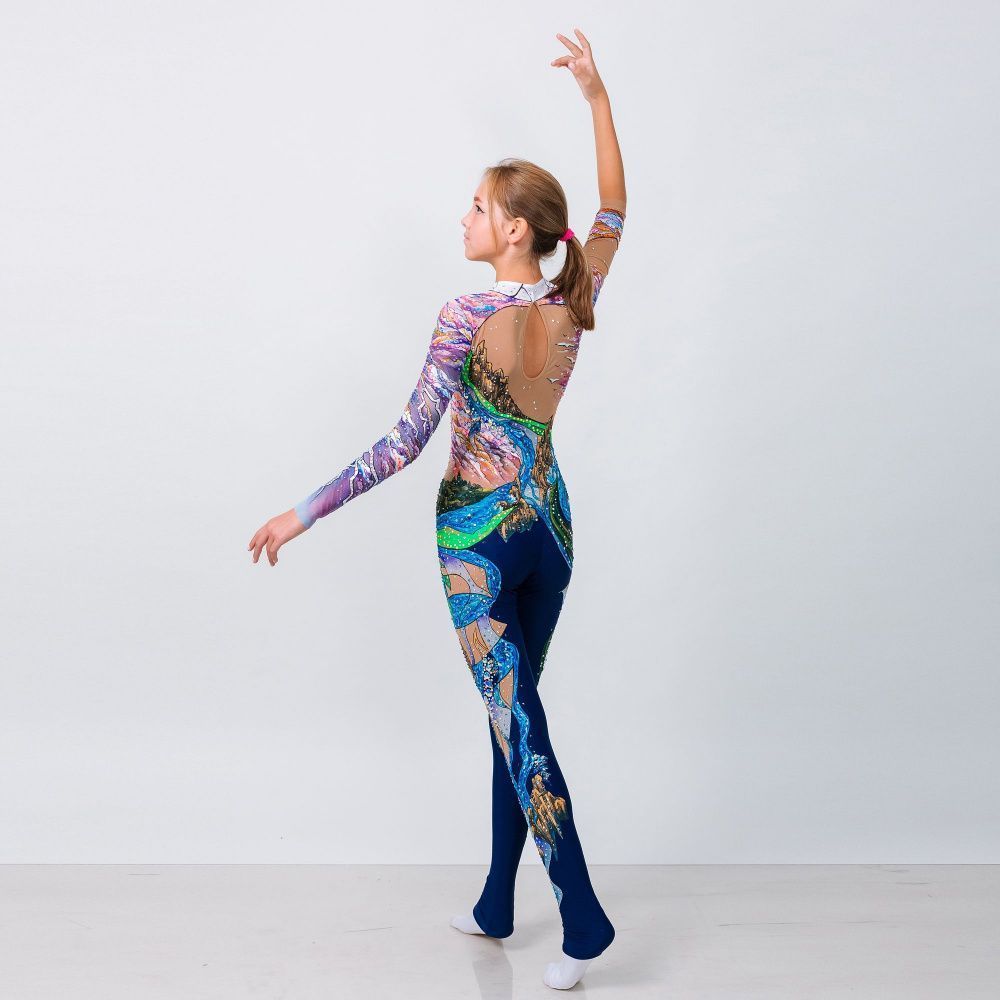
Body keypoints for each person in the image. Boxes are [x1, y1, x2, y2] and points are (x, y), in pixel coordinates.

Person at [248, 27, 627, 992]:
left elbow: (403, 442)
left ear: (515, 229)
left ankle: (582, 917)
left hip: (477, 544)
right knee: (513, 713)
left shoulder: (465, 316)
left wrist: (302, 512)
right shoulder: (575, 298)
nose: (464, 218)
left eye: (478, 207)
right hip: (552, 533)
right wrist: (596, 99)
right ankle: (498, 901)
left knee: (517, 720)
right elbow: (615, 209)